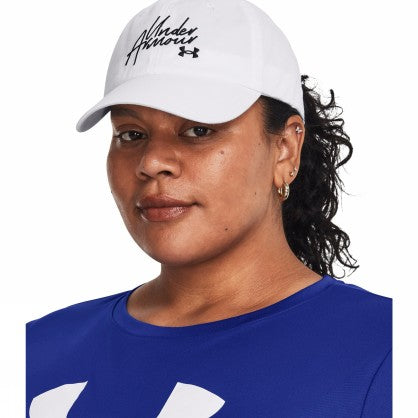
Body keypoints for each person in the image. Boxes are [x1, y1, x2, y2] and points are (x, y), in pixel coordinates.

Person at [26, 0, 392, 416]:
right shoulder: (32, 352)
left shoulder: (386, 352)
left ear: (285, 150)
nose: (151, 162)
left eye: (198, 130)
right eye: (131, 134)